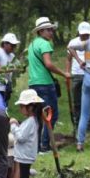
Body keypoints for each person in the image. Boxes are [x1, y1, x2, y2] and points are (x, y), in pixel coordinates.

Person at [28, 17, 70, 153]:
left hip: (33, 84)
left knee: (39, 116)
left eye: (52, 29)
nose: (51, 32)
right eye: (48, 30)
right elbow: (48, 64)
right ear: (40, 31)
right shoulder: (45, 44)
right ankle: (44, 146)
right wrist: (64, 74)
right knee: (51, 115)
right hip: (45, 84)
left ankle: (37, 145)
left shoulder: (32, 44)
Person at [9, 89, 44, 178]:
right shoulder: (32, 120)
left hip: (25, 156)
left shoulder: (30, 121)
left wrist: (13, 125)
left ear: (30, 107)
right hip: (26, 155)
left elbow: (21, 137)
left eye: (21, 106)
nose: (20, 109)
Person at [68, 23, 90, 151]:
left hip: (87, 79)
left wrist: (79, 60)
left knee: (84, 114)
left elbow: (70, 46)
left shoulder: (88, 43)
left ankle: (80, 143)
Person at [66, 22, 90, 137]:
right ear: (79, 33)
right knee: (77, 102)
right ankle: (77, 126)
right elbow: (68, 58)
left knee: (89, 101)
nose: (85, 36)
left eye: (87, 34)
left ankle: (89, 127)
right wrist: (67, 72)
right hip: (76, 74)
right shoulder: (73, 42)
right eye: (83, 34)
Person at [0, 33, 21, 105]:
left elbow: (19, 66)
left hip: (6, 87)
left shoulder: (12, 56)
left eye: (14, 45)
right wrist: (11, 69)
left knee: (4, 108)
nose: (14, 47)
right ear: (5, 44)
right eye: (12, 45)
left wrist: (21, 67)